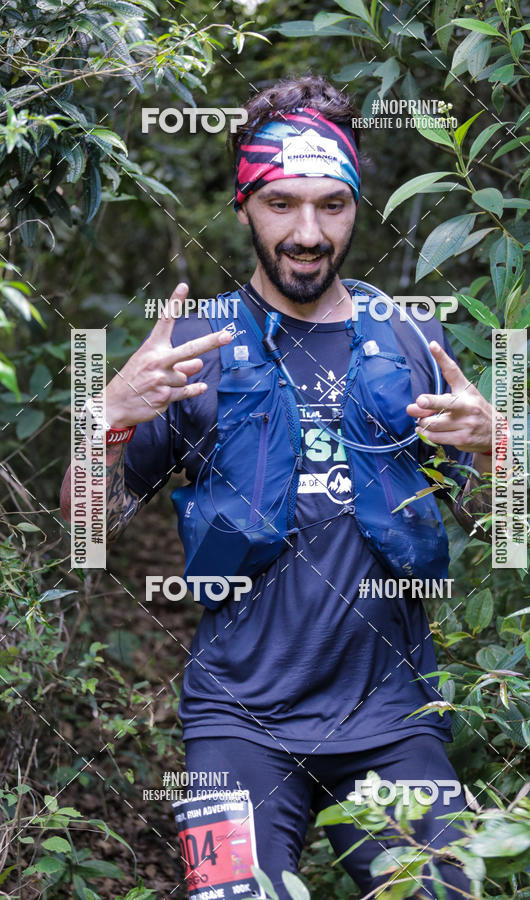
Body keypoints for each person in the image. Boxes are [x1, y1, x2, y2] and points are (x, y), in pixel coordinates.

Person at [61, 75, 495, 899]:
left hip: (393, 723)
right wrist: (102, 418)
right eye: (282, 203)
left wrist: (494, 449)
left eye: (332, 204)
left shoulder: (413, 338)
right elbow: (84, 535)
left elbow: (503, 529)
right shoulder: (194, 349)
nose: (307, 232)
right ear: (243, 203)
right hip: (239, 725)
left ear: (357, 205)